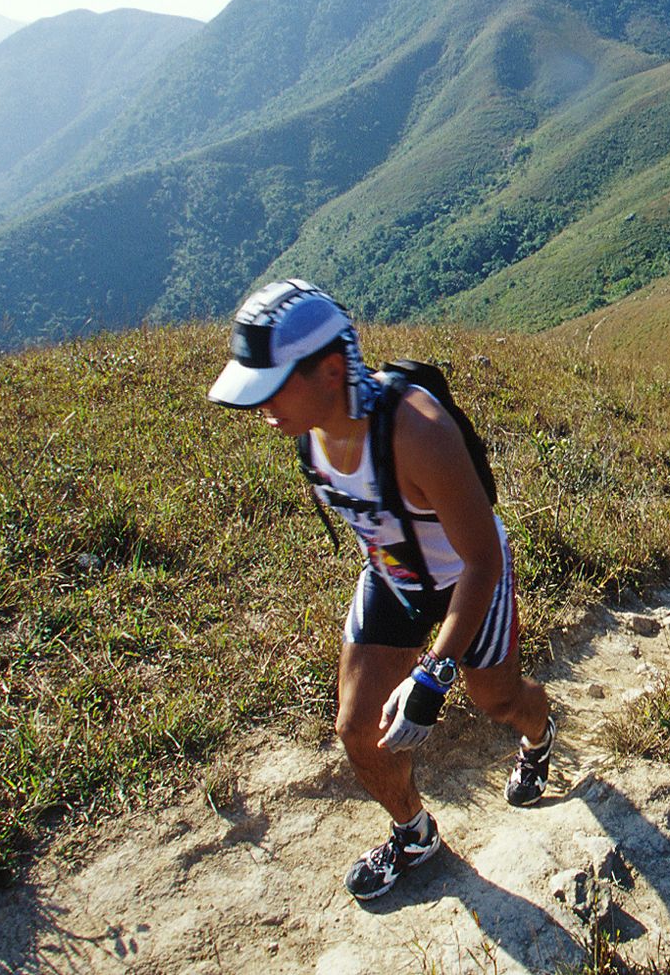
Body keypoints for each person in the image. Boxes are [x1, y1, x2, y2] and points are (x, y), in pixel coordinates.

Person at [207, 279, 554, 901]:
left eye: (272, 388)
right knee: (356, 727)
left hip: (467, 580)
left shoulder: (417, 431)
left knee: (495, 699)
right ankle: (414, 833)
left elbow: (481, 559)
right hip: (392, 577)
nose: (263, 409)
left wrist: (432, 673)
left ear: (331, 369)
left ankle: (538, 733)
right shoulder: (308, 427)